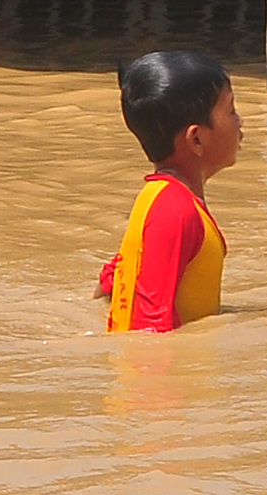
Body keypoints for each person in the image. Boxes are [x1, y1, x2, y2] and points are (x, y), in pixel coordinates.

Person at [97, 47, 241, 334]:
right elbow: (150, 328)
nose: (240, 122)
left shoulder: (163, 199)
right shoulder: (174, 210)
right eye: (231, 111)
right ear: (196, 139)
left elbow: (110, 284)